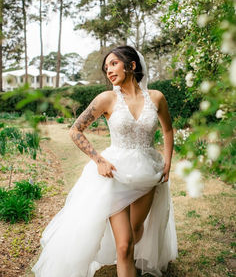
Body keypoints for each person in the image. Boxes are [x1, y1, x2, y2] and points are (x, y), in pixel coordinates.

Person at [32, 46, 178, 277]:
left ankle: (128, 252)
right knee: (124, 245)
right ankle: (125, 257)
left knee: (136, 230)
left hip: (148, 172)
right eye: (106, 67)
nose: (109, 71)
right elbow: (75, 130)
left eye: (114, 64)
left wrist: (168, 163)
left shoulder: (156, 97)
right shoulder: (106, 99)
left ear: (132, 65)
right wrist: (99, 160)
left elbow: (168, 130)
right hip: (115, 174)